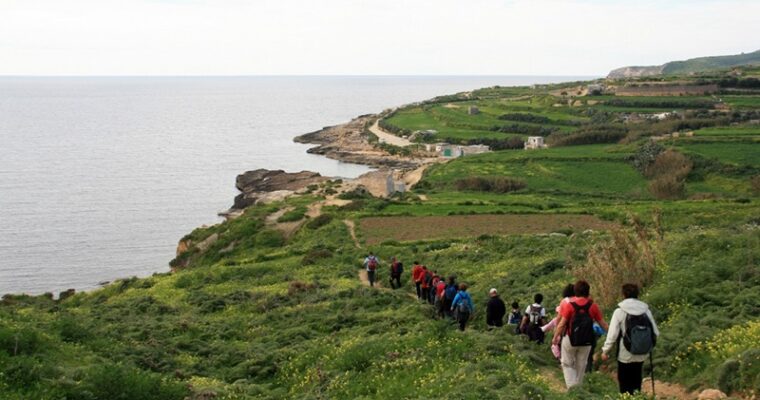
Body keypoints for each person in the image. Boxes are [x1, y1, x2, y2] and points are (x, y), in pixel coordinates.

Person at [601, 283, 659, 395]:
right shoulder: (645, 310)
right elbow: (655, 332)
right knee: (636, 381)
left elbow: (612, 335)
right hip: (642, 353)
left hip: (625, 353)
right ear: (637, 294)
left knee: (624, 383)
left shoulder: (619, 311)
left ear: (623, 294)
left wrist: (605, 350)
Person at [551, 280, 609, 389]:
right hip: (587, 340)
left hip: (570, 339)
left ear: (575, 291)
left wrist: (555, 337)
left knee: (567, 364)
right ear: (588, 291)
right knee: (581, 365)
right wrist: (612, 335)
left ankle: (573, 389)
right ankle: (579, 389)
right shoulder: (593, 306)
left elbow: (562, 324)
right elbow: (603, 324)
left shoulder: (569, 305)